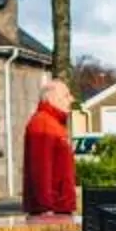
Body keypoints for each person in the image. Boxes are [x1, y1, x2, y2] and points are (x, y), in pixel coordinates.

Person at [22, 76, 79, 217]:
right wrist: (45, 208)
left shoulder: (53, 124)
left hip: (59, 209)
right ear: (51, 98)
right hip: (51, 212)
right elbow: (40, 170)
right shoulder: (43, 124)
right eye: (66, 95)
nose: (71, 99)